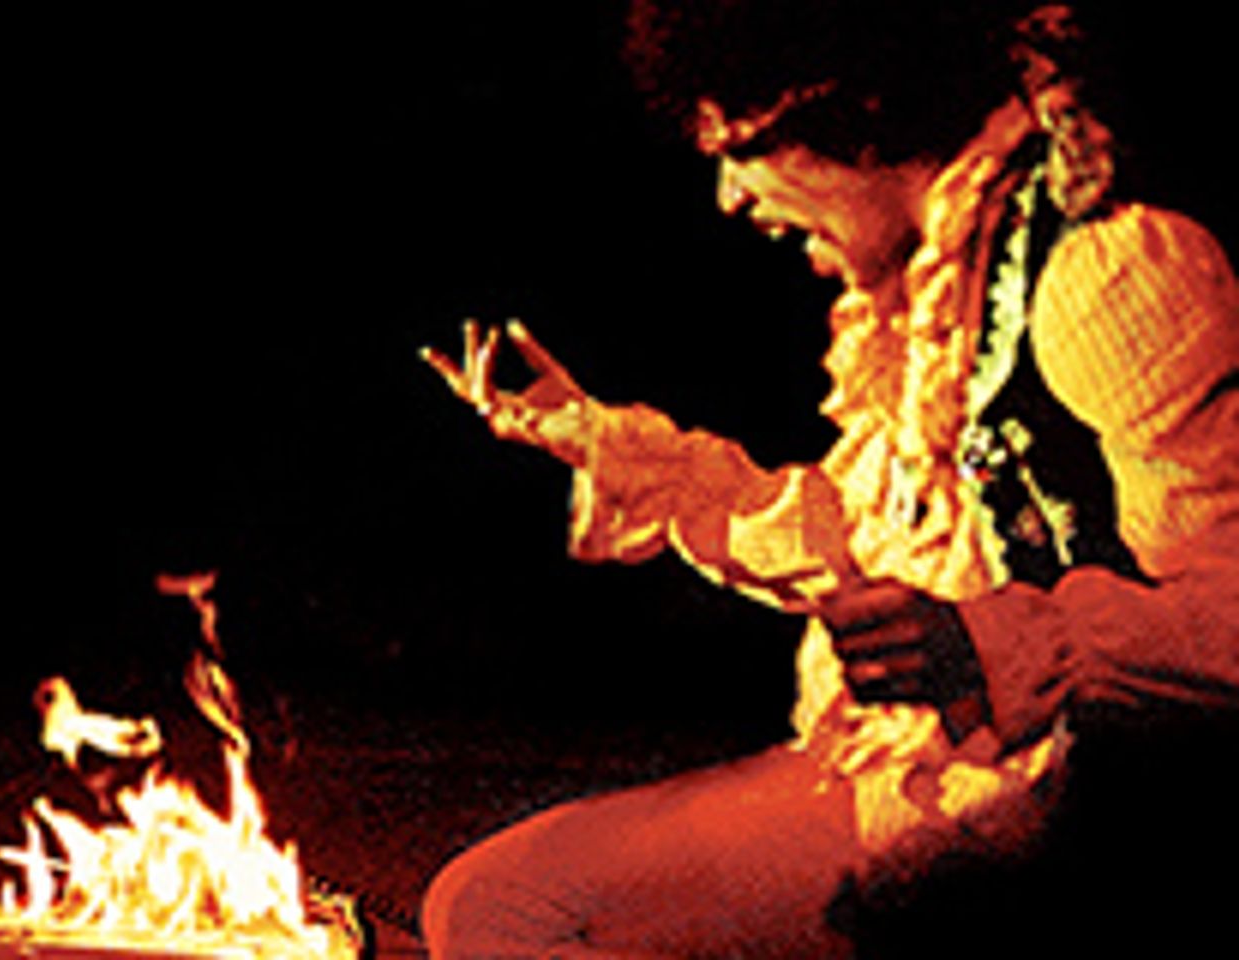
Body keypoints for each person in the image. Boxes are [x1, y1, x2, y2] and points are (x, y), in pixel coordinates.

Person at [418, 2, 1238, 956]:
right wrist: (613, 449)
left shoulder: (1108, 271)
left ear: (853, 118)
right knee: (491, 903)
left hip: (1084, 821)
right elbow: (868, 545)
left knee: (510, 920)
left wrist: (992, 642)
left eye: (743, 150)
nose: (730, 197)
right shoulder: (932, 295)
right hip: (938, 773)